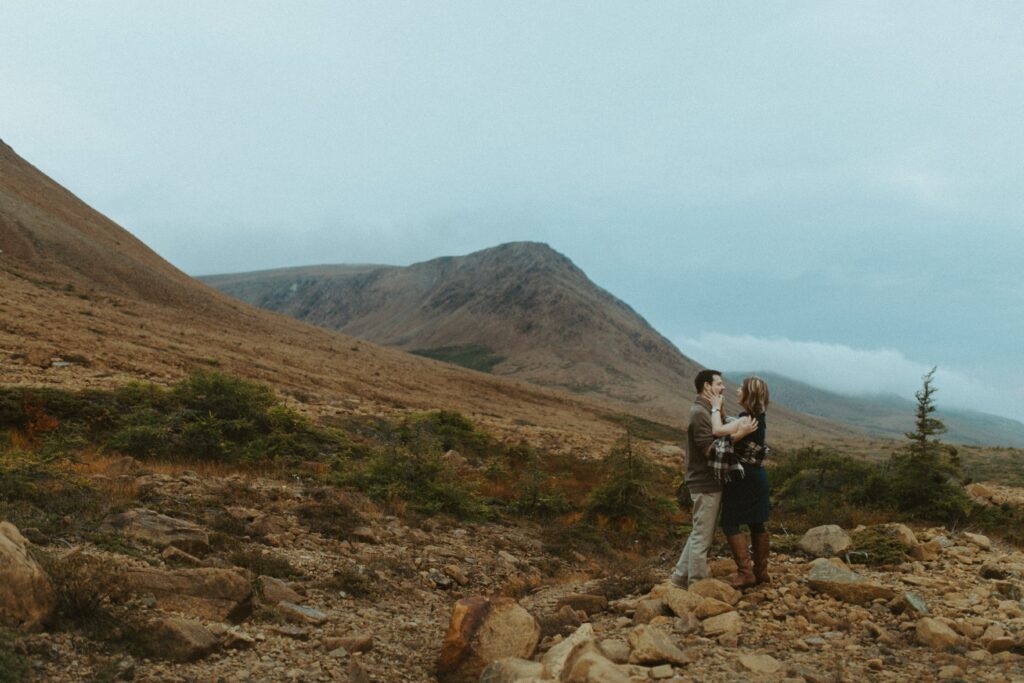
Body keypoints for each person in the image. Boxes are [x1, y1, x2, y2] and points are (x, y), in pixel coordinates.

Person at [671, 370, 758, 588]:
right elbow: (710, 450)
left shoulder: (707, 410)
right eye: (719, 384)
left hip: (708, 481)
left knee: (698, 532)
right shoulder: (699, 413)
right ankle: (697, 583)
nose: (724, 387)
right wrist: (740, 434)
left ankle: (680, 578)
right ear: (707, 386)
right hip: (704, 482)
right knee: (703, 536)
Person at [709, 376, 771, 588]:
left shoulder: (746, 419)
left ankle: (746, 574)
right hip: (757, 476)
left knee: (729, 522)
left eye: (741, 388)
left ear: (748, 393)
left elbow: (717, 431)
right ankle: (761, 573)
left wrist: (716, 408)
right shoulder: (759, 415)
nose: (737, 390)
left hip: (743, 478)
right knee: (756, 522)